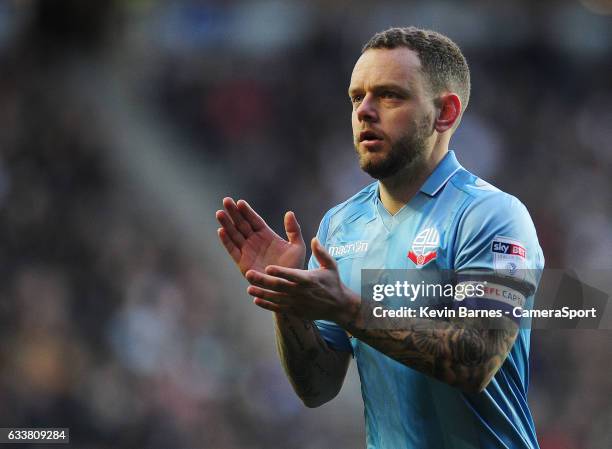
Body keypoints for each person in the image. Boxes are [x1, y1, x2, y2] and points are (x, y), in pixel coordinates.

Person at [216, 27, 544, 449]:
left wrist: (348, 308)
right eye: (357, 97)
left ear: (445, 113)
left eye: (389, 96)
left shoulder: (492, 215)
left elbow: (476, 360)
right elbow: (317, 388)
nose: (365, 111)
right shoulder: (341, 225)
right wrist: (288, 301)